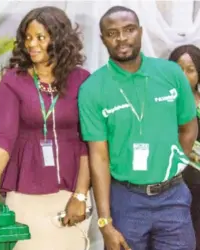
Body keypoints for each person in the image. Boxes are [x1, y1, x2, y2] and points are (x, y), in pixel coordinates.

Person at [79, 6, 197, 250]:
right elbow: (98, 157)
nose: (122, 38)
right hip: (126, 200)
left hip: (173, 198)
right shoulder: (92, 89)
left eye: (129, 30)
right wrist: (105, 222)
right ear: (103, 40)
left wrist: (174, 164)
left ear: (141, 32)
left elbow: (188, 128)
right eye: (112, 33)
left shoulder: (171, 74)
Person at [0, 6, 92, 250]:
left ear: (59, 40)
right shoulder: (13, 80)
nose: (32, 44)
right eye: (28, 37)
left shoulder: (82, 80)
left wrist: (80, 195)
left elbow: (88, 143)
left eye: (40, 37)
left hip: (71, 192)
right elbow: (4, 137)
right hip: (26, 191)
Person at [169, 44, 200, 250]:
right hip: (171, 180)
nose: (183, 75)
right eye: (178, 68)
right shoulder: (161, 102)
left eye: (190, 70)